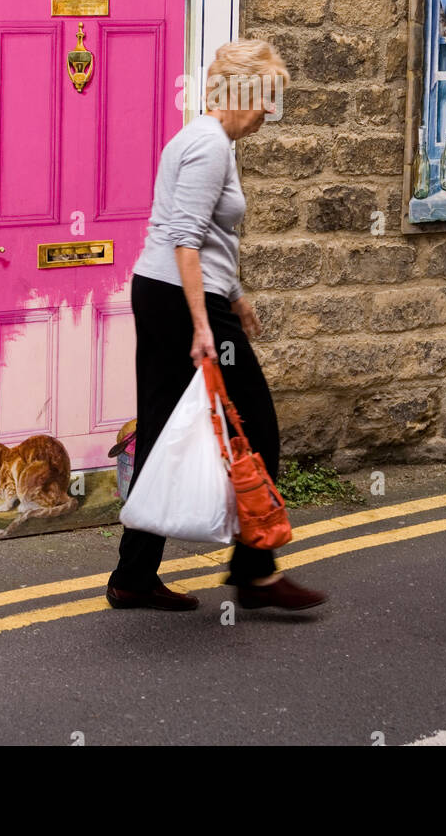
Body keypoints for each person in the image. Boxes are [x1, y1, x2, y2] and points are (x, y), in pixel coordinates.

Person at [107, 39, 328, 614]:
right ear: (242, 91)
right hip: (183, 303)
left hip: (166, 295)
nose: (267, 114)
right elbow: (184, 239)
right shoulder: (209, 146)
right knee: (255, 423)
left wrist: (235, 294)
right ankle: (254, 574)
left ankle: (133, 576)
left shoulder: (203, 139)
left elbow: (205, 239)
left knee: (159, 431)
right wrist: (206, 326)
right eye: (266, 100)